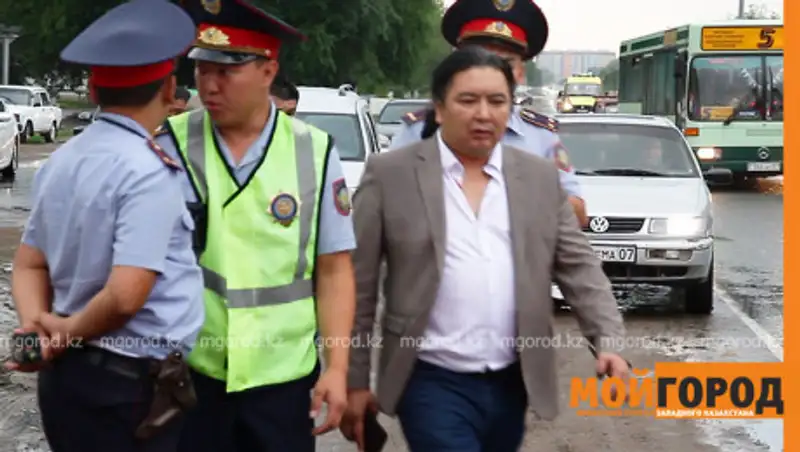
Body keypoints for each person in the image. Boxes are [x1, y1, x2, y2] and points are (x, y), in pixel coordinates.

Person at [341, 46, 628, 452]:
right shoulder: (391, 175)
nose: (483, 114)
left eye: (496, 101)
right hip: (428, 379)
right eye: (468, 100)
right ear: (439, 108)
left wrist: (608, 342)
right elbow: (357, 286)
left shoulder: (538, 178)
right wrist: (352, 379)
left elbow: (579, 268)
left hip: (512, 381)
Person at [154, 0, 356, 450]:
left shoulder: (314, 151)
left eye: (227, 70)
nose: (209, 85)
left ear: (268, 70)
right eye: (202, 69)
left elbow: (334, 270)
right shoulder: (169, 145)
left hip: (282, 380)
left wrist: (338, 368)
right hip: (191, 375)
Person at [5, 1, 203, 451]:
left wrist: (37, 328)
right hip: (128, 389)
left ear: (93, 90)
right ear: (170, 87)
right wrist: (63, 333)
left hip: (68, 381)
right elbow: (126, 295)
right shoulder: (148, 172)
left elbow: (29, 265)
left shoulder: (62, 161)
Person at [389, 0, 588, 227]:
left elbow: (577, 213)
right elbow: (386, 204)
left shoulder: (541, 137)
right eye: (478, 57)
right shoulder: (419, 131)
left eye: (504, 63)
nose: (490, 71)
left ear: (520, 73)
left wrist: (502, 200)